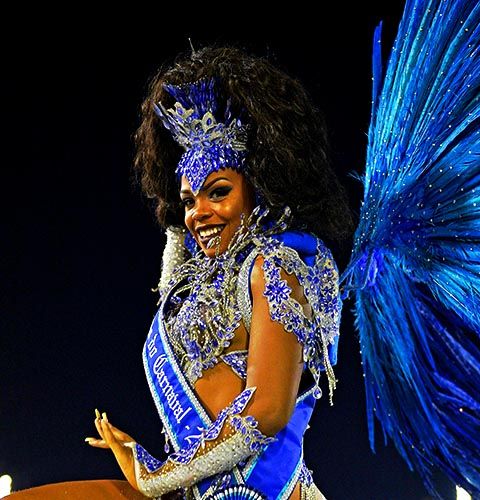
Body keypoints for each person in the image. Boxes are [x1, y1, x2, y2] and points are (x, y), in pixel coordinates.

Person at [86, 45, 355, 499]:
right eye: (190, 200)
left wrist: (159, 476)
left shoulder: (273, 267)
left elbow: (267, 411)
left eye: (219, 192)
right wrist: (177, 219)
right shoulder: (210, 281)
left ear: (260, 189)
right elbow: (169, 293)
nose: (199, 213)